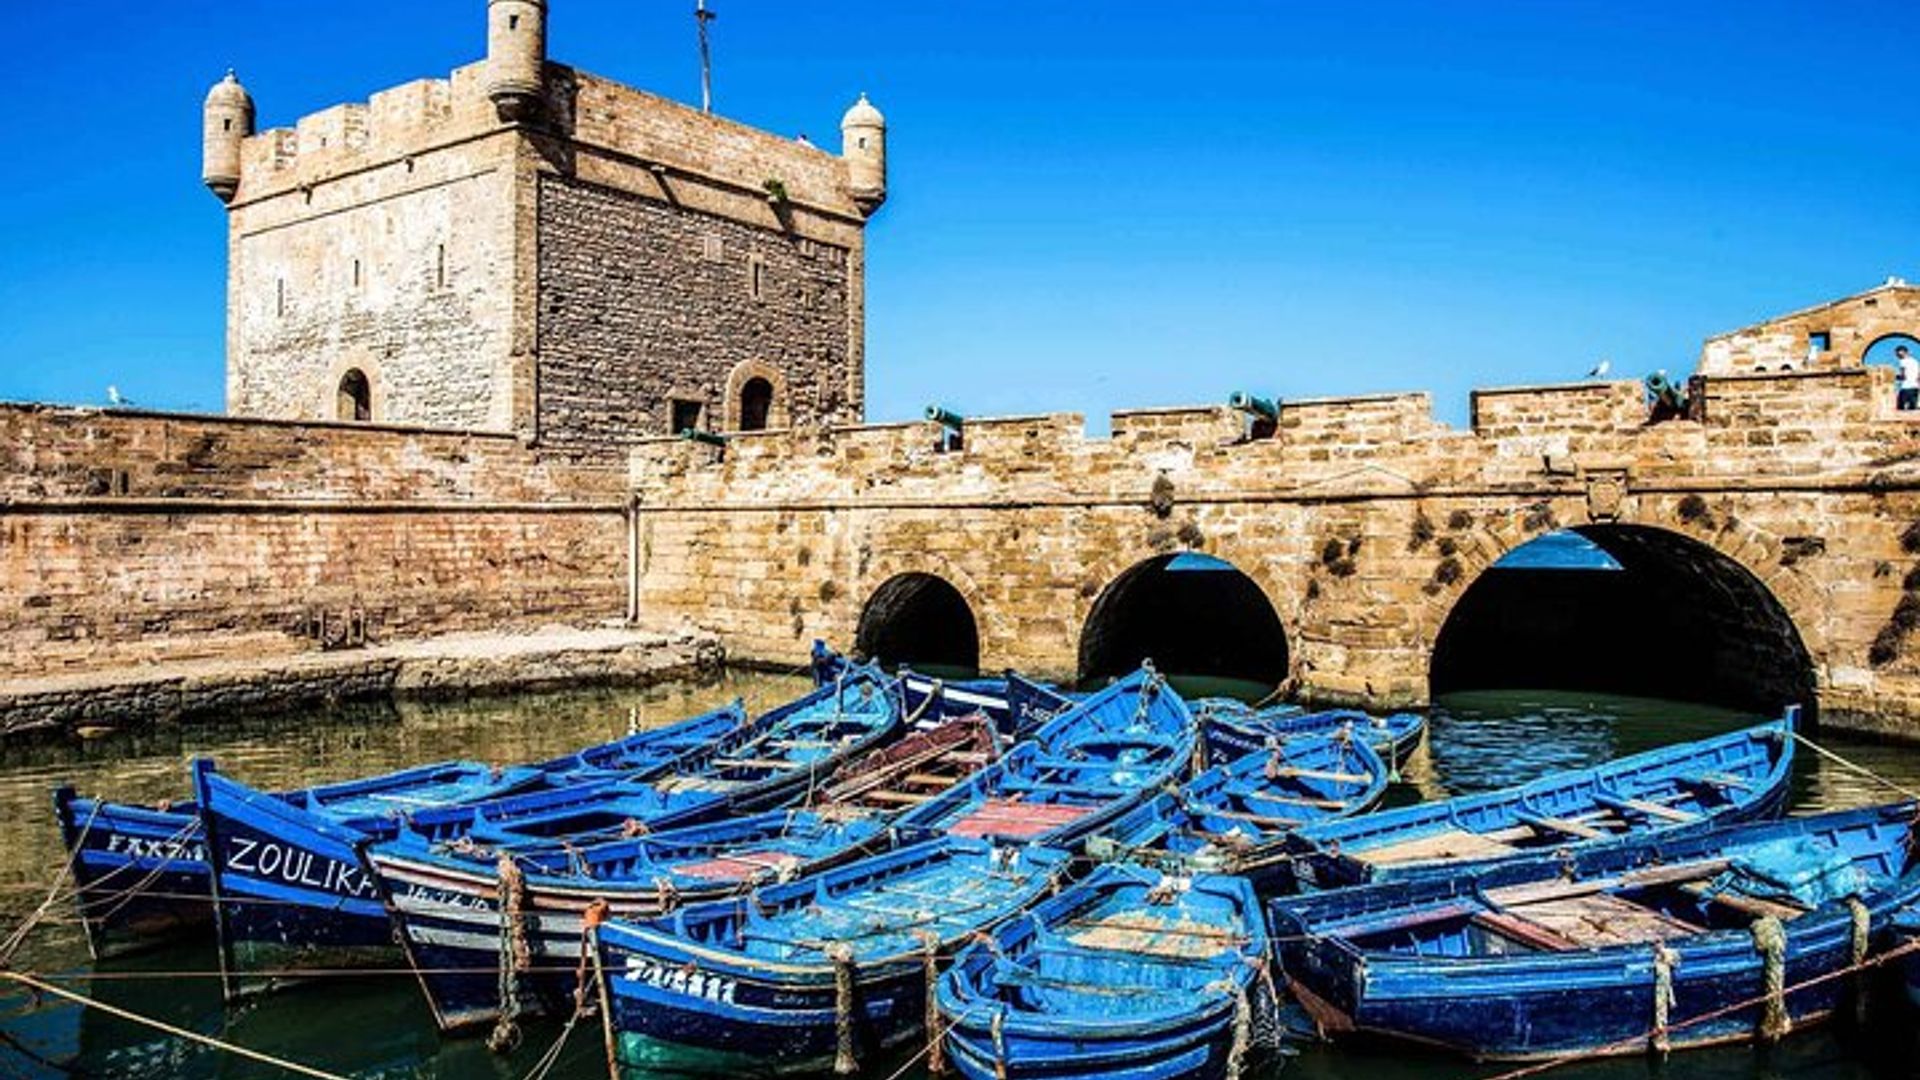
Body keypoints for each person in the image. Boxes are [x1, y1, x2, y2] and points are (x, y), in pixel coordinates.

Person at [1899, 345, 1920, 411]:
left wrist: (1895, 377)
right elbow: (1919, 376)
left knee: (1901, 409)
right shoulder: (1915, 361)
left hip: (1906, 387)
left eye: (1899, 355)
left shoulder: (1902, 361)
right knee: (1913, 409)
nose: (1898, 357)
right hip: (1915, 388)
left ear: (1905, 352)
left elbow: (1903, 376)